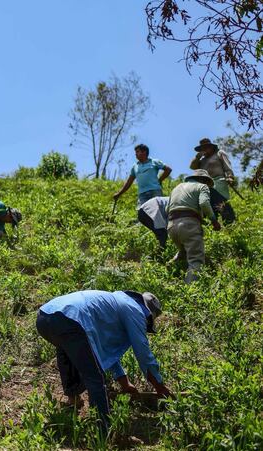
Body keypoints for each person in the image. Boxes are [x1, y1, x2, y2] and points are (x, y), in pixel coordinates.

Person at [36, 290, 171, 432]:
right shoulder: (135, 311)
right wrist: (159, 386)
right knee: (94, 377)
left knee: (68, 352)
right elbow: (143, 353)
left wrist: (124, 382)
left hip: (45, 317)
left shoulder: (116, 303)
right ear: (148, 315)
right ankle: (103, 430)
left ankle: (73, 399)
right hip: (69, 319)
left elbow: (104, 350)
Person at [167, 169, 222, 283]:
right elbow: (204, 203)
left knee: (184, 252)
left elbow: (167, 209)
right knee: (196, 260)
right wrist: (214, 220)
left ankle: (169, 270)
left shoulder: (177, 187)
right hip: (188, 225)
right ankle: (190, 294)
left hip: (171, 226)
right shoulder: (202, 187)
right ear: (203, 180)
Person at [189, 138, 236, 224]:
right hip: (206, 185)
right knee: (210, 206)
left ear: (211, 147)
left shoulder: (219, 153)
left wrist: (230, 177)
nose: (205, 149)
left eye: (207, 147)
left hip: (219, 183)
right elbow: (192, 167)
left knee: (222, 203)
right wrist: (197, 157)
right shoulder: (202, 160)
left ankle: (229, 223)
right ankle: (215, 224)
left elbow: (227, 167)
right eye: (203, 148)